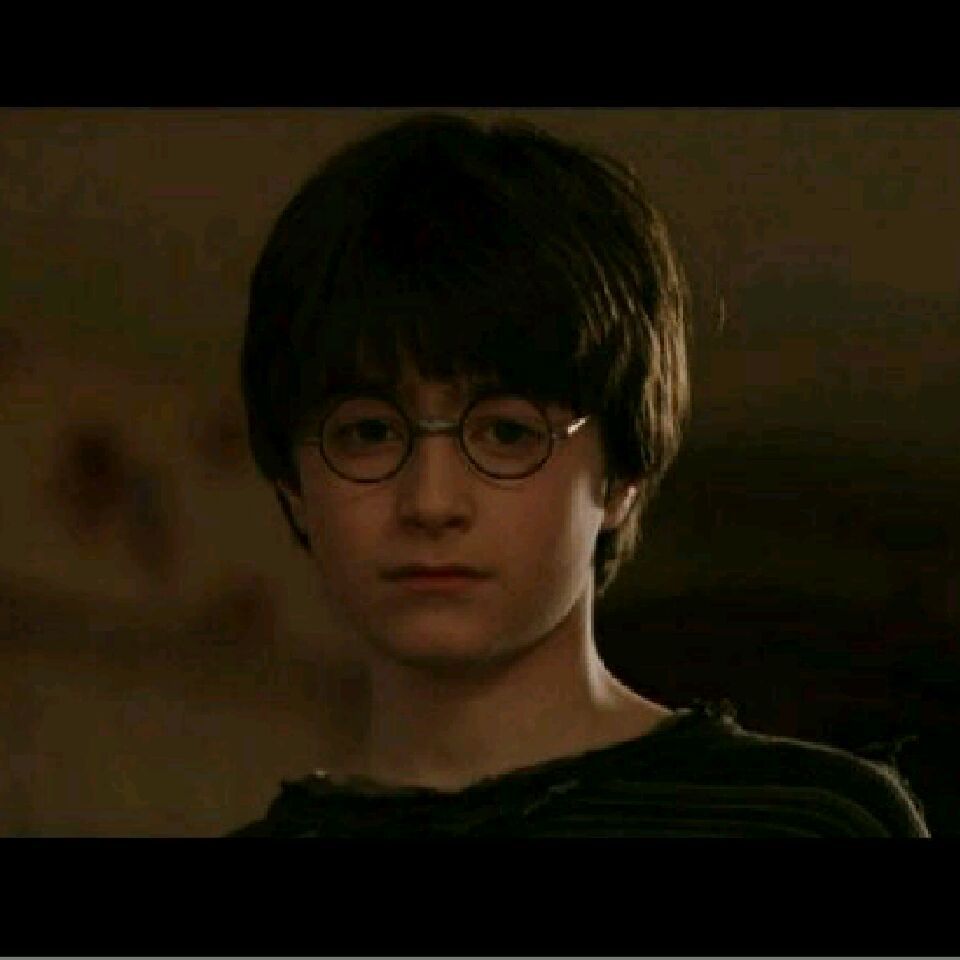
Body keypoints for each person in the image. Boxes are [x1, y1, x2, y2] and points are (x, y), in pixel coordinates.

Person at [230, 112, 929, 837]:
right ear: (293, 486)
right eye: (369, 434)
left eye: (507, 433)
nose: (431, 502)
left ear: (621, 474)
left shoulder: (805, 823)